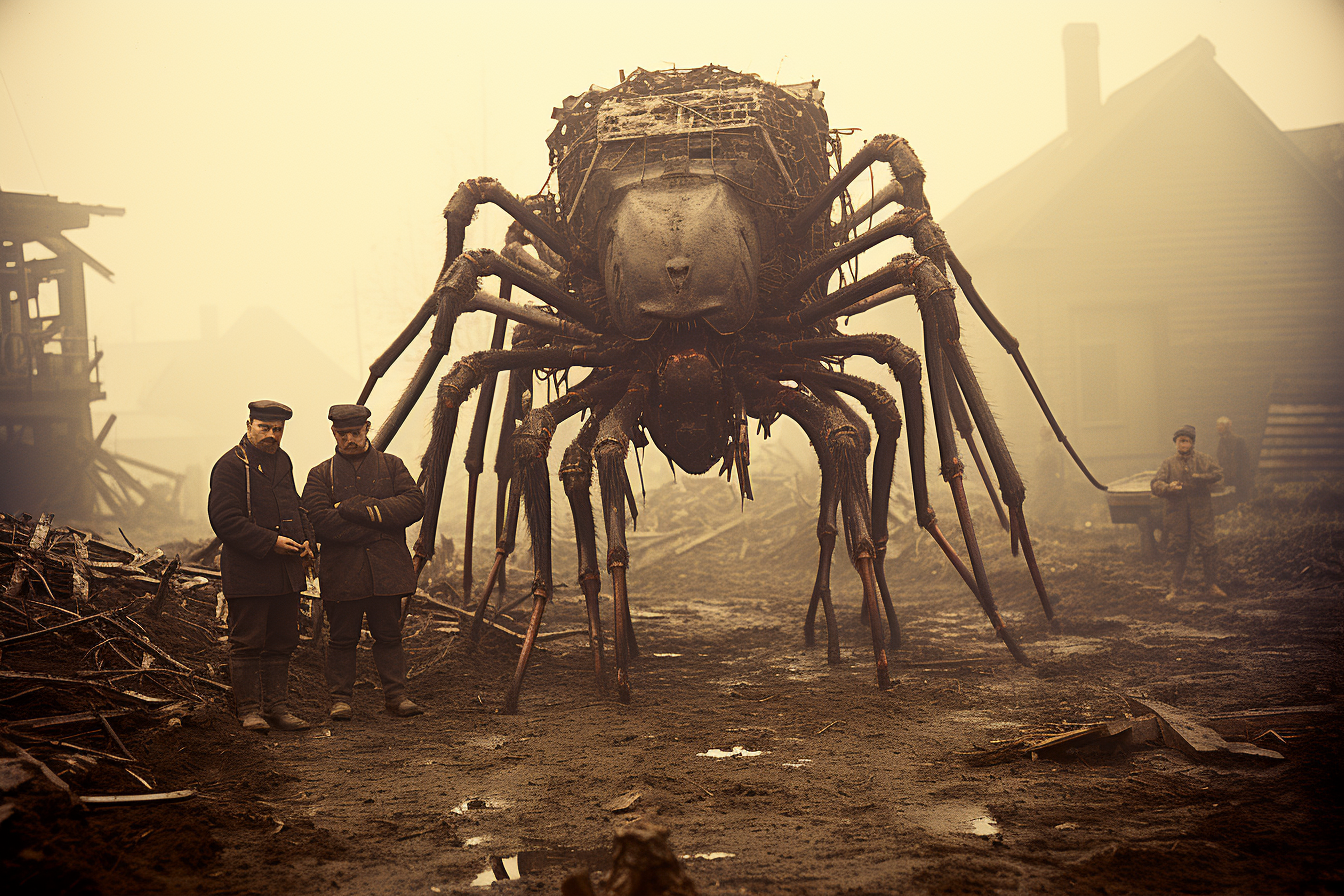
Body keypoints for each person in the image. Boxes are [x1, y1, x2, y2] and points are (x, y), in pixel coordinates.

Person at [301, 404, 426, 720]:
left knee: (389, 635)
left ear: (367, 429)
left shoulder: (392, 466)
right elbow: (319, 521)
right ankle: (340, 699)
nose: (350, 439)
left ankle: (397, 696)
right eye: (343, 434)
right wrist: (380, 526)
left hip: (386, 570)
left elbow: (414, 504)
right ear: (334, 433)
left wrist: (356, 508)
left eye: (355, 433)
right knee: (342, 638)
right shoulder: (320, 475)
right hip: (342, 572)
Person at [208, 400, 314, 732]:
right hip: (249, 571)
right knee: (248, 641)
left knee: (283, 639)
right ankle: (249, 710)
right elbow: (225, 521)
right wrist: (270, 542)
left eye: (277, 429)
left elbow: (293, 505)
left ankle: (278, 710)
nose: (271, 435)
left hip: (285, 573)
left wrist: (306, 538)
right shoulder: (229, 465)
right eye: (264, 428)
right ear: (249, 424)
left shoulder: (282, 461)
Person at [1151, 424, 1225, 599]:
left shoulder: (1204, 460)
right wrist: (1168, 487)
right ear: (1175, 443)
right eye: (1180, 441)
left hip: (1201, 511)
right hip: (1177, 513)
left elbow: (1218, 473)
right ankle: (1175, 588)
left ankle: (1211, 585)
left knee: (1208, 546)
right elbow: (1155, 484)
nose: (1183, 445)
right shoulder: (1168, 464)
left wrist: (1199, 478)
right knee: (1177, 548)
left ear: (1192, 443)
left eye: (1187, 441)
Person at [1216, 416, 1254, 502]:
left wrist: (1243, 475)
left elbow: (1245, 459)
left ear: (1227, 427)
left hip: (1238, 476)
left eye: (1221, 425)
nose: (1218, 427)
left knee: (1240, 498)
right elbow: (1220, 457)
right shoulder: (1221, 441)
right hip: (1227, 475)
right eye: (1217, 425)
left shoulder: (1238, 440)